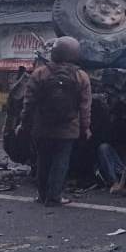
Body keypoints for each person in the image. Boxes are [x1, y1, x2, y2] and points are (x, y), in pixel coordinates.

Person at [17, 37, 91, 207]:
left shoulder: (39, 73)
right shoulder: (81, 76)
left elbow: (28, 103)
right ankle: (55, 196)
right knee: (61, 162)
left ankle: (42, 195)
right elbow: (85, 107)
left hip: (42, 126)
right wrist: (85, 128)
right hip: (68, 127)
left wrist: (24, 124)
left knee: (43, 160)